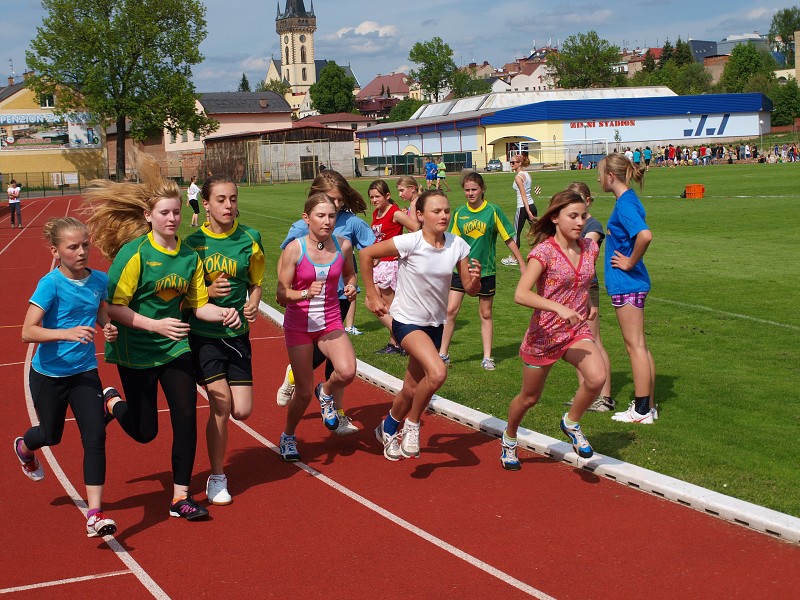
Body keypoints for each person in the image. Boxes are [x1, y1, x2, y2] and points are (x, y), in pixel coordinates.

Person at [85, 152, 242, 521]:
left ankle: (180, 496)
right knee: (145, 432)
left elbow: (199, 305)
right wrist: (155, 325)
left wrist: (224, 313)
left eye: (176, 212)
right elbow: (114, 308)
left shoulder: (188, 257)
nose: (172, 219)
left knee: (186, 416)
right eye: (164, 213)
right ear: (148, 216)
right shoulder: (134, 254)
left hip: (175, 348)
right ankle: (111, 402)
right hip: (135, 350)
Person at [14, 217, 119, 537]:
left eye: (85, 244)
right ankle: (24, 447)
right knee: (50, 435)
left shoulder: (99, 280)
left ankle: (95, 513)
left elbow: (98, 307)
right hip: (49, 375)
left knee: (95, 437)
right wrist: (67, 333)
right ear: (55, 251)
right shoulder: (51, 284)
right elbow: (27, 331)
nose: (82, 251)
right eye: (73, 247)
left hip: (84, 372)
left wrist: (107, 325)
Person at [360, 190, 481, 460]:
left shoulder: (458, 245)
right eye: (436, 211)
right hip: (406, 322)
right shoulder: (409, 242)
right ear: (420, 215)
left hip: (434, 325)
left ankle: (387, 427)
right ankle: (412, 425)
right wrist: (371, 294)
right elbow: (366, 254)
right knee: (437, 373)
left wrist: (476, 280)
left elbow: (470, 289)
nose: (443, 216)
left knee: (411, 388)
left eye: (446, 211)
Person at [499, 190, 605, 470]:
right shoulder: (544, 252)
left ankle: (571, 422)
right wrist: (558, 308)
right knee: (529, 398)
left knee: (597, 377)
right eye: (573, 216)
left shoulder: (590, 248)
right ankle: (509, 437)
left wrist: (589, 303)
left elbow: (585, 280)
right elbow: (521, 294)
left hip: (575, 331)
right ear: (556, 218)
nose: (580, 222)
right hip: (544, 336)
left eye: (583, 216)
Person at [184, 174, 265, 506]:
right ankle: (217, 476)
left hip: (237, 336)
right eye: (221, 199)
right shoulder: (192, 244)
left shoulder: (251, 238)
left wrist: (253, 303)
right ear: (205, 204)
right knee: (221, 405)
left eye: (233, 199)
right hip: (204, 337)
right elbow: (182, 294)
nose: (228, 205)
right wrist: (206, 291)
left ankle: (218, 467)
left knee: (242, 411)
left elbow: (256, 282)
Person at [275, 171, 374, 439]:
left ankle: (329, 397)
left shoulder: (345, 239)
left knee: (345, 370)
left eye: (334, 211)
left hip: (331, 313)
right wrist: (302, 293)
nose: (329, 219)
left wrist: (352, 285)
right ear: (308, 217)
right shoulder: (297, 240)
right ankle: (288, 435)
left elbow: (352, 271)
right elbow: (281, 289)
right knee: (304, 390)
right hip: (300, 321)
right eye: (323, 213)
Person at [438, 172, 525, 370]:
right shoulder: (459, 213)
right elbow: (451, 242)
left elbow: (508, 238)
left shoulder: (492, 211)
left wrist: (521, 262)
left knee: (485, 314)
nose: (470, 193)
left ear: (482, 189)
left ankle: (487, 357)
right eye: (467, 190)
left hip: (486, 271)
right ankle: (443, 354)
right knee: (451, 310)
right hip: (461, 270)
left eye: (474, 189)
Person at [597, 153, 657, 424]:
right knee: (640, 346)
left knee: (635, 347)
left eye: (600, 174)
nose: (598, 179)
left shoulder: (624, 204)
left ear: (610, 176)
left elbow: (645, 235)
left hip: (627, 283)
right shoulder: (628, 199)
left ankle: (641, 410)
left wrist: (630, 261)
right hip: (630, 283)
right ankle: (648, 407)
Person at [566, 181, 613, 412]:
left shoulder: (593, 225)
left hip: (587, 287)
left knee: (594, 341)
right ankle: (584, 394)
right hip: (571, 288)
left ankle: (605, 397)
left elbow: (585, 252)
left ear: (587, 201)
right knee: (579, 342)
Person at [368, 179, 419, 355]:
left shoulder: (395, 212)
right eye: (372, 197)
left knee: (388, 305)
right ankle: (397, 341)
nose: (374, 200)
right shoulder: (376, 213)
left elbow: (416, 228)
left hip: (390, 263)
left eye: (377, 196)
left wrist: (404, 250)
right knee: (375, 303)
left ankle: (399, 340)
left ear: (387, 196)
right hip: (379, 263)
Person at [501, 154, 540, 267]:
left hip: (523, 207)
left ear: (520, 163)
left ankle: (514, 258)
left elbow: (523, 194)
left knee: (515, 233)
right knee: (538, 232)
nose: (511, 164)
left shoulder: (518, 177)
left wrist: (528, 211)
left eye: (513, 162)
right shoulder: (528, 175)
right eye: (511, 162)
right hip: (531, 205)